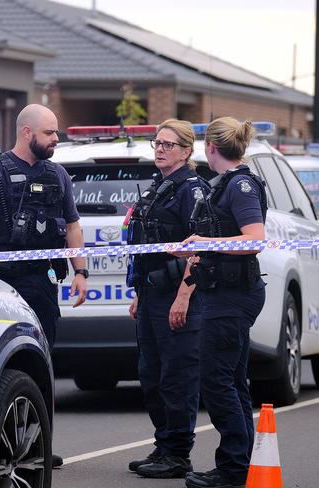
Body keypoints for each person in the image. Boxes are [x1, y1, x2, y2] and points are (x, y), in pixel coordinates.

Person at [0, 104, 88, 469]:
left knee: (43, 360)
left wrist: (80, 270)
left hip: (43, 281)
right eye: (49, 133)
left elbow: (72, 226)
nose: (56, 139)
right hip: (3, 282)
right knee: (4, 364)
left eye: (56, 133)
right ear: (26, 132)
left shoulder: (59, 175)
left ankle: (39, 446)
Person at [176, 117, 267, 488]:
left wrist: (205, 242)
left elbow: (254, 239)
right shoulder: (226, 185)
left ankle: (231, 469)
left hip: (233, 297)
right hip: (223, 292)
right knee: (232, 381)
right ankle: (240, 466)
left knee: (215, 382)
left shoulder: (240, 185)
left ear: (209, 148)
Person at [125, 119, 209, 479]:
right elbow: (143, 247)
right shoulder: (158, 188)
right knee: (151, 374)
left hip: (177, 295)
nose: (160, 149)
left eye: (168, 144)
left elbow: (199, 251)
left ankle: (178, 454)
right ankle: (164, 445)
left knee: (177, 376)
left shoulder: (192, 191)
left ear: (187, 151)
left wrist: (183, 297)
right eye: (157, 143)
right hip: (150, 293)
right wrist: (138, 293)